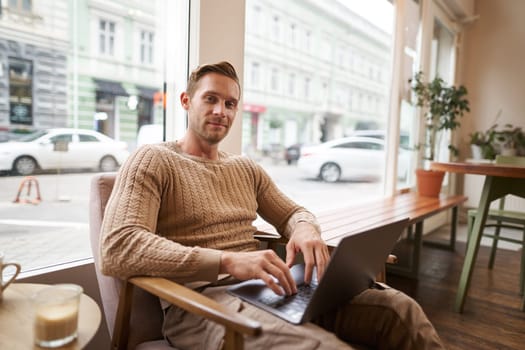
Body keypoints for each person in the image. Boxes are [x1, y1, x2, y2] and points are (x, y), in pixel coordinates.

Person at [100, 61, 445, 349]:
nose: (221, 111)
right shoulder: (154, 159)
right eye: (211, 99)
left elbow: (293, 212)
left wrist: (305, 227)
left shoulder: (245, 167)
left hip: (267, 290)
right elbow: (118, 247)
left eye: (231, 103)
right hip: (203, 304)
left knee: (400, 309)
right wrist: (229, 261)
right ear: (186, 101)